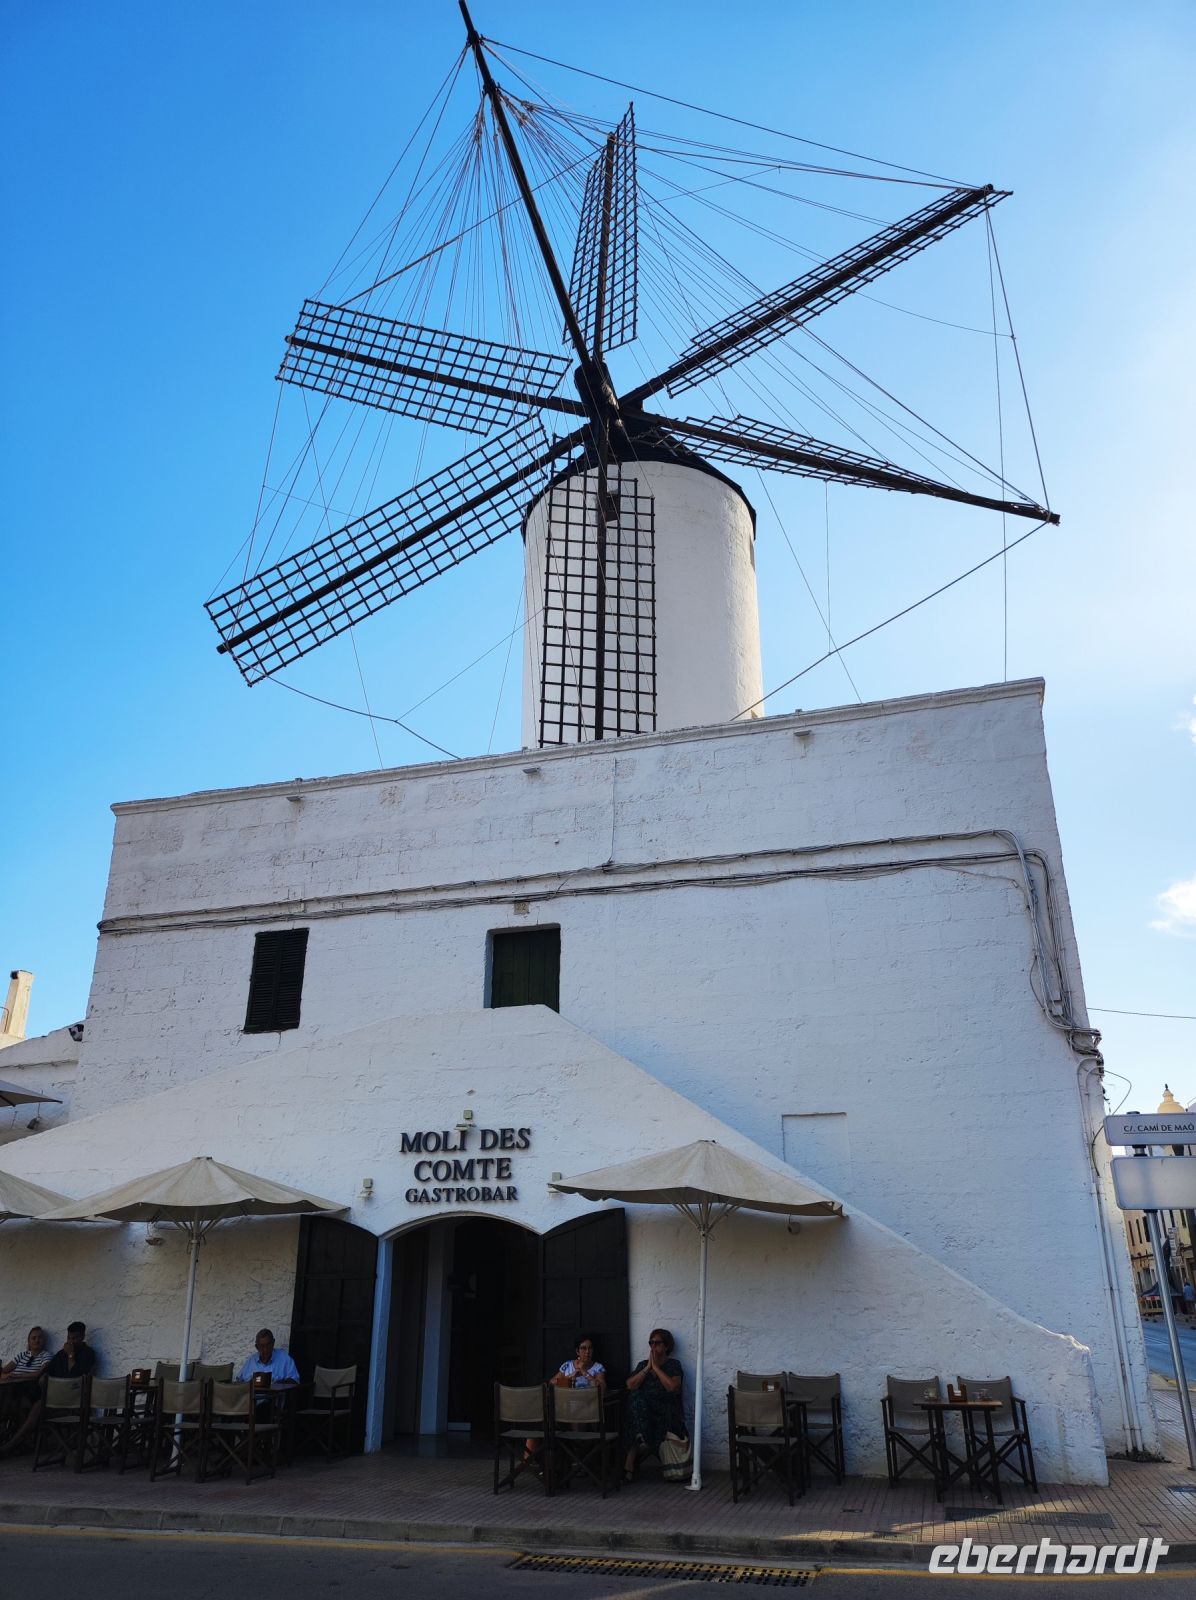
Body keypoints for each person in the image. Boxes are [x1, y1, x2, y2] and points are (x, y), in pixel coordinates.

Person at [0, 1321, 97, 1455]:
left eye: (75, 1338)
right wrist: (42, 1380)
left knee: (38, 1406)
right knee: (22, 1402)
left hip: (73, 1401)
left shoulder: (88, 1354)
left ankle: (10, 1445)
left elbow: (74, 1377)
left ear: (82, 1337)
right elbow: (47, 1373)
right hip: (53, 1396)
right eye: (69, 1338)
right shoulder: (60, 1354)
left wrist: (70, 1356)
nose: (71, 1341)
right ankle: (26, 1444)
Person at [622, 1327, 684, 1482]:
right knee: (635, 1399)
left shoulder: (674, 1365)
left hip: (666, 1412)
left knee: (634, 1419)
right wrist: (647, 1368)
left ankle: (628, 1468)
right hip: (644, 1413)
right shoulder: (643, 1364)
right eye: (651, 1343)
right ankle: (637, 1449)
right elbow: (630, 1385)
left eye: (657, 1343)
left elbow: (672, 1387)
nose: (653, 1346)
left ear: (667, 1346)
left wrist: (656, 1367)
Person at [0, 1326, 51, 1433]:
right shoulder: (22, 1355)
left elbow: (38, 1374)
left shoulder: (46, 1356)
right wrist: (7, 1376)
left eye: (40, 1338)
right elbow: (4, 1370)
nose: (37, 1340)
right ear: (29, 1341)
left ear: (44, 1341)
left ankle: (7, 1430)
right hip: (12, 1386)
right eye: (33, 1338)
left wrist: (16, 1375)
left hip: (30, 1388)